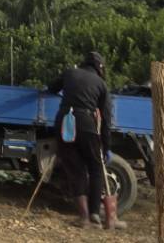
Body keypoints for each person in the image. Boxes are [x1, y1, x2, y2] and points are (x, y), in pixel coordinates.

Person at [48, 51, 121, 229]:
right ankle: (96, 214)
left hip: (65, 122)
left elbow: (51, 88)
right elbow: (106, 118)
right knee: (95, 168)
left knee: (75, 170)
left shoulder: (69, 73)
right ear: (100, 68)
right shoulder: (101, 84)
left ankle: (84, 218)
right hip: (86, 124)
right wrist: (106, 146)